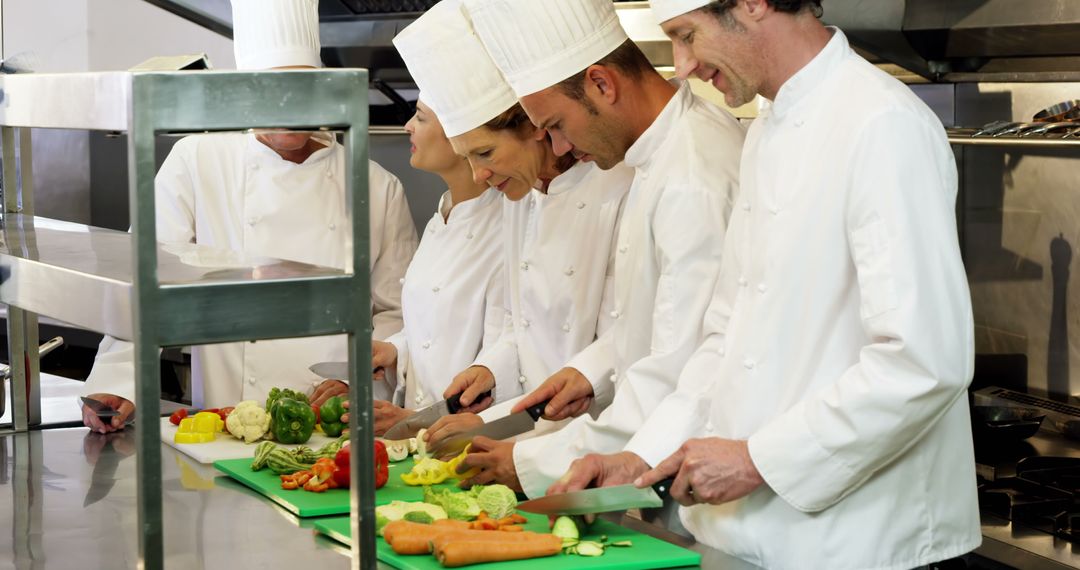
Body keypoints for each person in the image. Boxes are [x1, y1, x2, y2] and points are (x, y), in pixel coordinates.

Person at [552, 1, 981, 568]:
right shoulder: (765, 132)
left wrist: (758, 459)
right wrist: (640, 459)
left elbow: (924, 362)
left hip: (862, 545)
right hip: (753, 541)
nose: (681, 66)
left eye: (687, 36)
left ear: (752, 4)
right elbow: (725, 337)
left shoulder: (882, 124)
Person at [433, 0, 744, 496]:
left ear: (602, 84)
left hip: (679, 472)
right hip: (648, 462)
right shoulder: (656, 158)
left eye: (555, 125)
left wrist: (534, 460)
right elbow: (647, 326)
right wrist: (587, 372)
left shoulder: (692, 173)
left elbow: (679, 367)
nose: (556, 148)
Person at [80, 0, 418, 433]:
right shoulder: (197, 161)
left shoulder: (376, 186)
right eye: (268, 89)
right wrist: (119, 381)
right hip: (222, 418)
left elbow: (397, 311)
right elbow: (144, 283)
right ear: (243, 88)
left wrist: (350, 379)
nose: (288, 107)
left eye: (302, 89)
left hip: (334, 423)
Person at [384, 0, 632, 446]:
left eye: (485, 154)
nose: (479, 176)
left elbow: (630, 340)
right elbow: (517, 329)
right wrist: (488, 371)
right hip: (530, 435)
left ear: (536, 128)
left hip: (599, 442)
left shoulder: (615, 185)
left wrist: (496, 423)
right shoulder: (521, 197)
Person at [364, 95, 505, 435]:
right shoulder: (442, 214)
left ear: (460, 135)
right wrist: (395, 349)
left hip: (474, 443)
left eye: (420, 117)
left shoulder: (507, 223)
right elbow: (433, 329)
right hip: (425, 441)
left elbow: (505, 360)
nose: (408, 126)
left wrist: (420, 420)